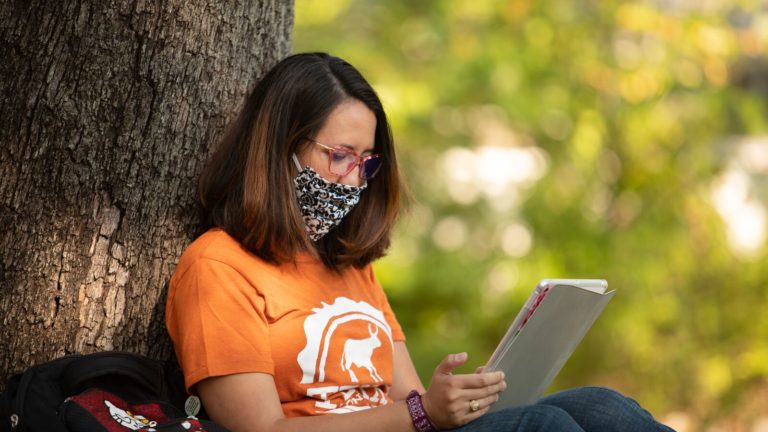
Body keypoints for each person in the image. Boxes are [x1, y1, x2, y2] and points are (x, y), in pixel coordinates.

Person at [165, 52, 674, 432]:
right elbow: (260, 430)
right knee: (546, 429)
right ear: (278, 149)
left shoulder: (347, 263)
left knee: (604, 408)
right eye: (339, 155)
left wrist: (454, 399)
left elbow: (409, 398)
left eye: (367, 162)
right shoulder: (217, 266)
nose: (353, 180)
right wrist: (420, 413)